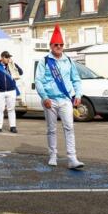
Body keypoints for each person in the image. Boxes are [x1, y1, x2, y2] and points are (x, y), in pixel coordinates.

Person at [35, 24, 84, 169]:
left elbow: (76, 79)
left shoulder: (69, 61)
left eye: (61, 44)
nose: (59, 46)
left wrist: (78, 94)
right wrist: (44, 97)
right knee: (51, 129)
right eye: (56, 44)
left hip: (65, 100)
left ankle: (72, 158)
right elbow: (38, 80)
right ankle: (53, 155)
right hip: (50, 100)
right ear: (51, 45)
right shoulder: (44, 61)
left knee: (69, 128)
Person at [0, 51, 23, 133]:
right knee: (0, 109)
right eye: (6, 57)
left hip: (11, 91)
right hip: (0, 92)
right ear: (2, 58)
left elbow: (21, 72)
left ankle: (13, 126)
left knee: (11, 109)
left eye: (9, 57)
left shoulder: (12, 65)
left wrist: (14, 64)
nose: (8, 59)